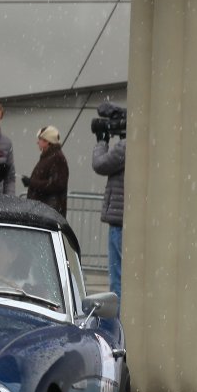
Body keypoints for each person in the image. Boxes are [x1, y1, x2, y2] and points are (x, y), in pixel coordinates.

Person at [91, 103, 127, 297]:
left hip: (119, 221)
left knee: (117, 279)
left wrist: (101, 141)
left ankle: (120, 315)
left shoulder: (126, 146)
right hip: (124, 219)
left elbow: (100, 164)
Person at [21, 124, 68, 217]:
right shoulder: (49, 157)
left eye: (40, 139)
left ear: (47, 141)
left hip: (49, 212)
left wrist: (31, 182)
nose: (37, 142)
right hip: (43, 211)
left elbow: (56, 185)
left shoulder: (57, 158)